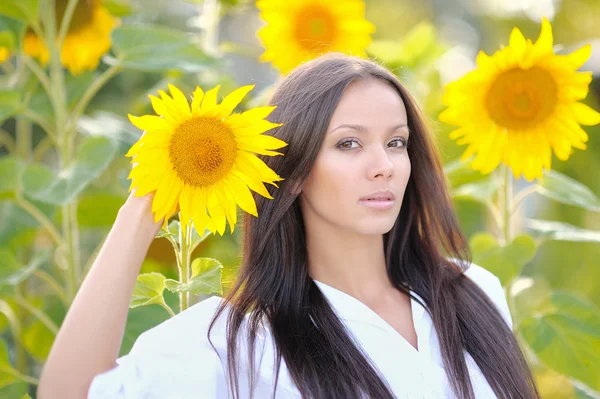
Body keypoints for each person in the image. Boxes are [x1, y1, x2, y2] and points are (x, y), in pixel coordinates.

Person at [38, 53, 540, 399]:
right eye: (348, 144)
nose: (384, 165)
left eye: (396, 142)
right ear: (293, 173)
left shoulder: (473, 290)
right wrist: (144, 205)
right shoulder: (239, 340)